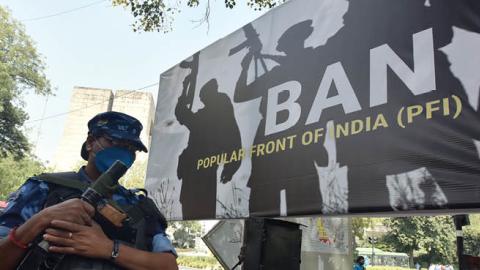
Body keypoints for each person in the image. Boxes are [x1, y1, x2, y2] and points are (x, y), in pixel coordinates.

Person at [0, 111, 178, 270]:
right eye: (115, 142)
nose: (124, 153)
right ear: (90, 143)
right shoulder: (44, 187)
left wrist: (108, 248)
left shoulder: (139, 206)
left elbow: (169, 265)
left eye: (131, 149)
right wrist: (43, 218)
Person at [175, 79, 242, 219]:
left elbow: (182, 113)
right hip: (193, 170)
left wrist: (231, 167)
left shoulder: (213, 115)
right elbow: (182, 114)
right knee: (193, 206)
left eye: (204, 97)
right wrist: (185, 87)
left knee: (199, 206)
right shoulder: (206, 115)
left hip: (203, 171)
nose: (202, 100)